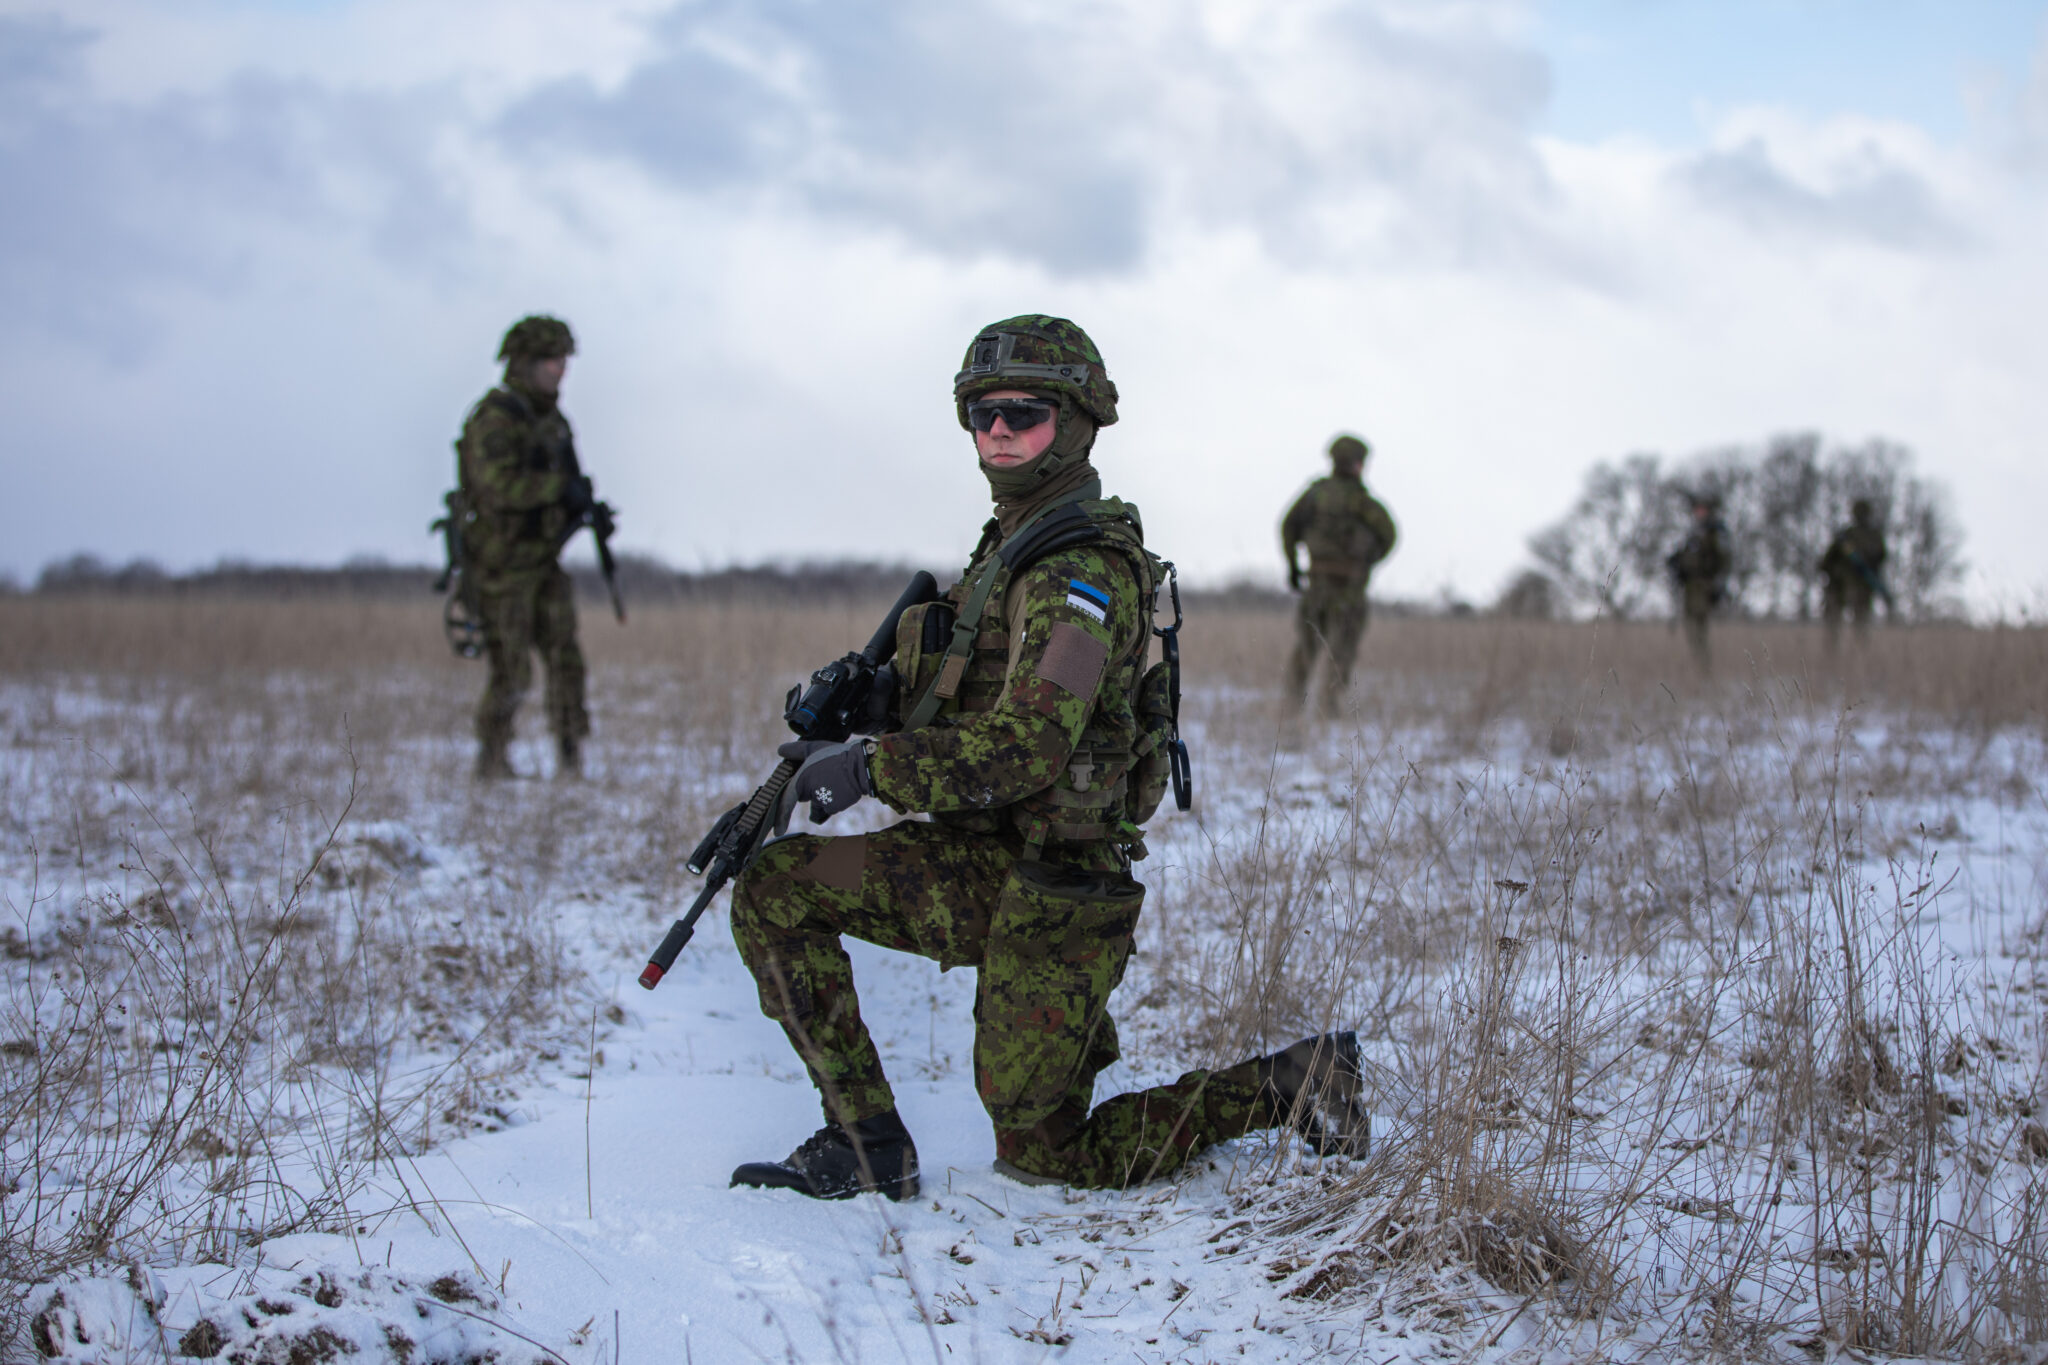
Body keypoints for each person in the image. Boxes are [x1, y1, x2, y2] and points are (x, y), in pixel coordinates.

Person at [724, 315, 1369, 1200]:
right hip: (982, 860)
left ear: (1075, 423)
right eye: (981, 415)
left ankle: (1294, 1083)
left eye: (1022, 415)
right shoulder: (1009, 548)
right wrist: (866, 706)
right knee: (776, 886)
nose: (997, 433)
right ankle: (864, 1140)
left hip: (1058, 886)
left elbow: (1029, 746)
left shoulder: (1081, 573)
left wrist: (873, 769)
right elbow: (971, 691)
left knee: (1050, 1155)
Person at [455, 314, 601, 780]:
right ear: (523, 362)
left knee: (566, 661)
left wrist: (585, 508)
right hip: (502, 566)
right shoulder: (496, 417)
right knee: (512, 670)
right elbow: (496, 488)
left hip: (543, 562)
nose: (560, 369)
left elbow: (566, 485)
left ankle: (570, 757)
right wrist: (557, 489)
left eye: (562, 360)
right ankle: (492, 759)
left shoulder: (554, 422)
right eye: (550, 361)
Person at [1281, 435, 1397, 717]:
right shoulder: (1364, 503)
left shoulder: (1315, 496)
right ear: (1358, 464)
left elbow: (1288, 527)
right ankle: (1328, 714)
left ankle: (1290, 710)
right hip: (1349, 590)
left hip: (1317, 585)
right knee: (1341, 654)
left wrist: (1294, 566)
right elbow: (1389, 536)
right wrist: (1366, 563)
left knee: (1306, 649)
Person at [1666, 494, 1730, 673]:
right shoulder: (1693, 533)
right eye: (1697, 509)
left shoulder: (1714, 533)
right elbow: (1686, 557)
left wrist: (1718, 585)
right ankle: (1699, 667)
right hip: (1690, 587)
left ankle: (1704, 669)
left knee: (1698, 629)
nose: (1698, 513)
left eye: (1702, 509)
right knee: (1691, 628)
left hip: (1703, 587)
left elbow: (1723, 561)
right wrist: (1676, 562)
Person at [1817, 498, 1889, 650]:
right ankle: (1840, 653)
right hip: (1842, 586)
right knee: (1843, 624)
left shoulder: (1868, 536)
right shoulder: (1847, 537)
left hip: (1858, 585)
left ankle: (1854, 655)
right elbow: (1826, 563)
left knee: (1858, 625)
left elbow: (1880, 558)